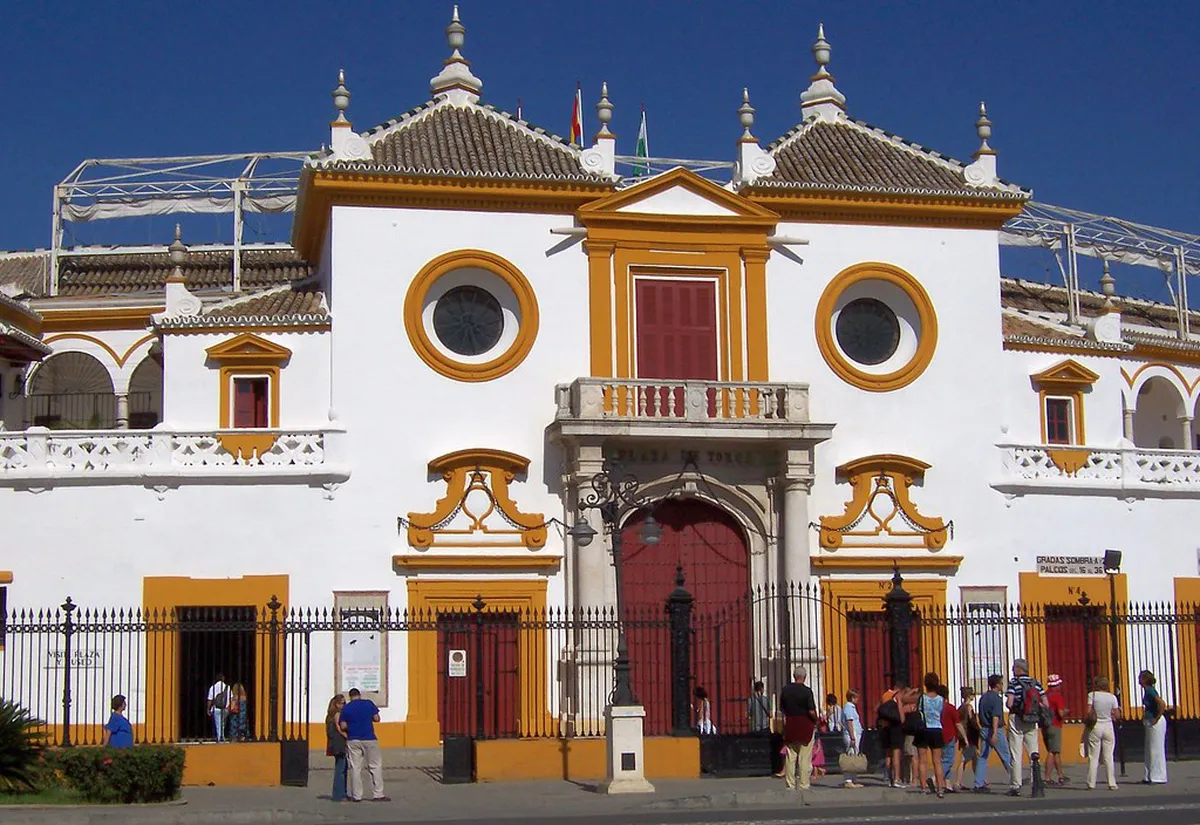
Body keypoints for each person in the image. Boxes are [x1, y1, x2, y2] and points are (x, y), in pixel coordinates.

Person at [340, 687, 390, 802]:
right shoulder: (368, 704)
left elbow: (343, 726)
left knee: (355, 768)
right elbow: (377, 718)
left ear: (350, 697)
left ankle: (357, 796)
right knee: (375, 766)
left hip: (353, 739)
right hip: (369, 738)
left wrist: (352, 725)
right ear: (360, 695)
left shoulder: (346, 708)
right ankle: (378, 794)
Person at [1004, 658, 1045, 796]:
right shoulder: (1036, 683)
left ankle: (1016, 785)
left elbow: (1009, 703)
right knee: (1033, 751)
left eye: (1014, 667)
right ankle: (1036, 781)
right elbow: (1045, 702)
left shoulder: (1014, 683)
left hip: (1017, 718)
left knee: (1016, 753)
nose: (1012, 670)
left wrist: (1014, 703)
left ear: (1019, 669)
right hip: (1032, 719)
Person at [779, 666, 819, 791]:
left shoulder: (786, 690)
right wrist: (816, 719)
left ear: (794, 676)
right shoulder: (807, 691)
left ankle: (790, 784)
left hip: (791, 724)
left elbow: (782, 708)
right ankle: (803, 784)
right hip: (805, 724)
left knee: (790, 756)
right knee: (804, 757)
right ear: (804, 677)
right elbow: (811, 710)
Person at [973, 674, 1013, 793]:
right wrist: (995, 733)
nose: (1002, 685)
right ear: (997, 685)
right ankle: (1015, 778)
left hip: (984, 728)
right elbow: (995, 716)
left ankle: (978, 783)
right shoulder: (996, 698)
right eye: (1001, 683)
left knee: (983, 757)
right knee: (1006, 756)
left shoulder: (983, 697)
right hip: (995, 730)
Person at [1085, 676, 1120, 791]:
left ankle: (1091, 783)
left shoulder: (1092, 695)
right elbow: (1117, 714)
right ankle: (1112, 782)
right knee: (1108, 756)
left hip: (1095, 726)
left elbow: (1088, 711)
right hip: (1108, 726)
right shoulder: (1112, 697)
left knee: (1093, 756)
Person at [915, 672, 946, 798]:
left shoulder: (922, 698)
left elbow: (918, 711)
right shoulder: (941, 699)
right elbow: (942, 713)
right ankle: (940, 789)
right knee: (937, 762)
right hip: (937, 729)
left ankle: (923, 788)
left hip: (924, 728)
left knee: (923, 761)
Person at [877, 681, 907, 788]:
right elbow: (901, 715)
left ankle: (889, 778)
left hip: (885, 728)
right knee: (896, 754)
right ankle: (897, 779)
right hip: (895, 728)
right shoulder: (897, 696)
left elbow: (878, 708)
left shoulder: (885, 695)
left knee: (888, 754)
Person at [1139, 670, 1167, 785]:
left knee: (1156, 748)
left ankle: (1158, 776)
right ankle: (1149, 775)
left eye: (1140, 677)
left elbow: (1161, 704)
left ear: (1145, 679)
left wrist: (1157, 717)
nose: (1139, 680)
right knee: (1149, 748)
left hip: (1155, 722)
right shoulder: (1148, 691)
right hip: (1150, 721)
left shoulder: (1150, 691)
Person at [938, 684, 965, 792]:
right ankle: (935, 778)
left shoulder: (935, 708)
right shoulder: (950, 708)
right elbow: (958, 724)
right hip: (949, 736)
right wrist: (965, 738)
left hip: (938, 736)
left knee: (942, 760)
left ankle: (947, 784)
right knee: (948, 761)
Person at [1043, 674, 1068, 785]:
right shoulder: (1057, 696)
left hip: (1045, 726)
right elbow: (1061, 713)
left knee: (1055, 752)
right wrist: (1067, 711)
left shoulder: (1044, 695)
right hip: (1055, 725)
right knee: (1052, 752)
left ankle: (1061, 775)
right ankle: (1047, 778)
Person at [954, 685, 980, 791]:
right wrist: (979, 728)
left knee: (975, 758)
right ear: (969, 696)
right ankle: (957, 782)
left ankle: (979, 779)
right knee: (965, 759)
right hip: (969, 735)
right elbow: (971, 720)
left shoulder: (960, 707)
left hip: (964, 735)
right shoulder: (968, 707)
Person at [326, 694, 348, 802]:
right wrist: (348, 737)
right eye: (342, 703)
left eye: (344, 703)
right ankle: (339, 794)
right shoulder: (337, 714)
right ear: (337, 704)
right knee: (341, 769)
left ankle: (340, 793)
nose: (344, 705)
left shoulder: (329, 715)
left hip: (334, 743)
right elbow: (340, 729)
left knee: (340, 767)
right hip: (339, 743)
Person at [842, 688, 864, 789]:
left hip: (855, 733)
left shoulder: (851, 707)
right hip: (852, 734)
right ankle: (848, 780)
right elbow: (850, 722)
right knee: (850, 757)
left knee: (854, 757)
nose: (858, 699)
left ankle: (853, 779)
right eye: (856, 697)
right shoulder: (849, 708)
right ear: (852, 698)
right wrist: (852, 737)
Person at [206, 672, 229, 743]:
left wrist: (208, 708)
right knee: (222, 723)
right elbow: (231, 698)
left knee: (218, 723)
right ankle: (222, 736)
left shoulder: (213, 687)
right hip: (225, 708)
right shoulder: (227, 687)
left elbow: (210, 699)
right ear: (223, 679)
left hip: (216, 708)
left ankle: (220, 738)